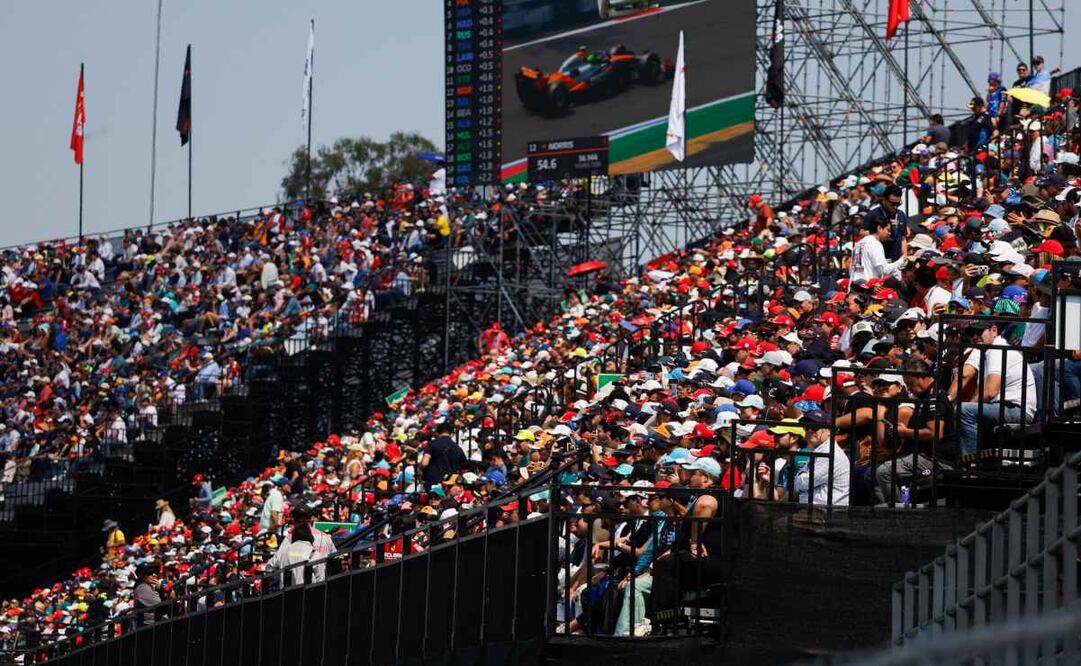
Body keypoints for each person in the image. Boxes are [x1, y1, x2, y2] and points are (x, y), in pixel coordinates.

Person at [647, 457, 725, 633]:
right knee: (669, 562)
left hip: (710, 562)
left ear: (705, 477)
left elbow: (705, 505)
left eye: (693, 474)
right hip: (702, 561)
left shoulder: (711, 494)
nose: (688, 477)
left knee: (666, 565)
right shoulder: (705, 495)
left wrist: (695, 541)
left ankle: (661, 622)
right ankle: (664, 620)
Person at [875, 362, 957, 504]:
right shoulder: (924, 398)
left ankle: (898, 510)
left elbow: (935, 433)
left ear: (923, 377)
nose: (910, 389)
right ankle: (902, 504)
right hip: (923, 455)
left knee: (884, 472)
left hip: (938, 459)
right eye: (907, 385)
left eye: (911, 384)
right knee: (872, 473)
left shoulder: (934, 399)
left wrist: (905, 432)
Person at [957, 320, 1038, 456]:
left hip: (1017, 409)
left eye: (979, 332)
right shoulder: (987, 352)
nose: (975, 336)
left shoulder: (998, 350)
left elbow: (990, 392)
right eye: (972, 333)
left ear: (993, 331)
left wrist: (966, 407)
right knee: (964, 410)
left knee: (964, 410)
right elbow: (981, 391)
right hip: (1003, 406)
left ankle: (969, 460)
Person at [795, 410, 850, 506]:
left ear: (828, 431)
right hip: (815, 507)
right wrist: (802, 476)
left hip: (824, 510)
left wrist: (801, 475)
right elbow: (798, 484)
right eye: (807, 427)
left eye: (815, 427)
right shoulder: (821, 450)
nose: (809, 431)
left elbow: (804, 483)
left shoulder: (829, 452)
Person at [851, 217, 908, 282]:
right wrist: (901, 260)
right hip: (868, 285)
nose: (889, 233)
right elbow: (884, 270)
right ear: (879, 228)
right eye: (888, 230)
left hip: (854, 284)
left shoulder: (858, 243)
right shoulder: (875, 243)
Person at [420, 422, 467, 488]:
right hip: (449, 484)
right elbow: (463, 467)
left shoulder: (432, 444)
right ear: (451, 433)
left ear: (437, 432)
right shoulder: (457, 447)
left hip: (433, 482)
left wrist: (420, 468)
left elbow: (424, 463)